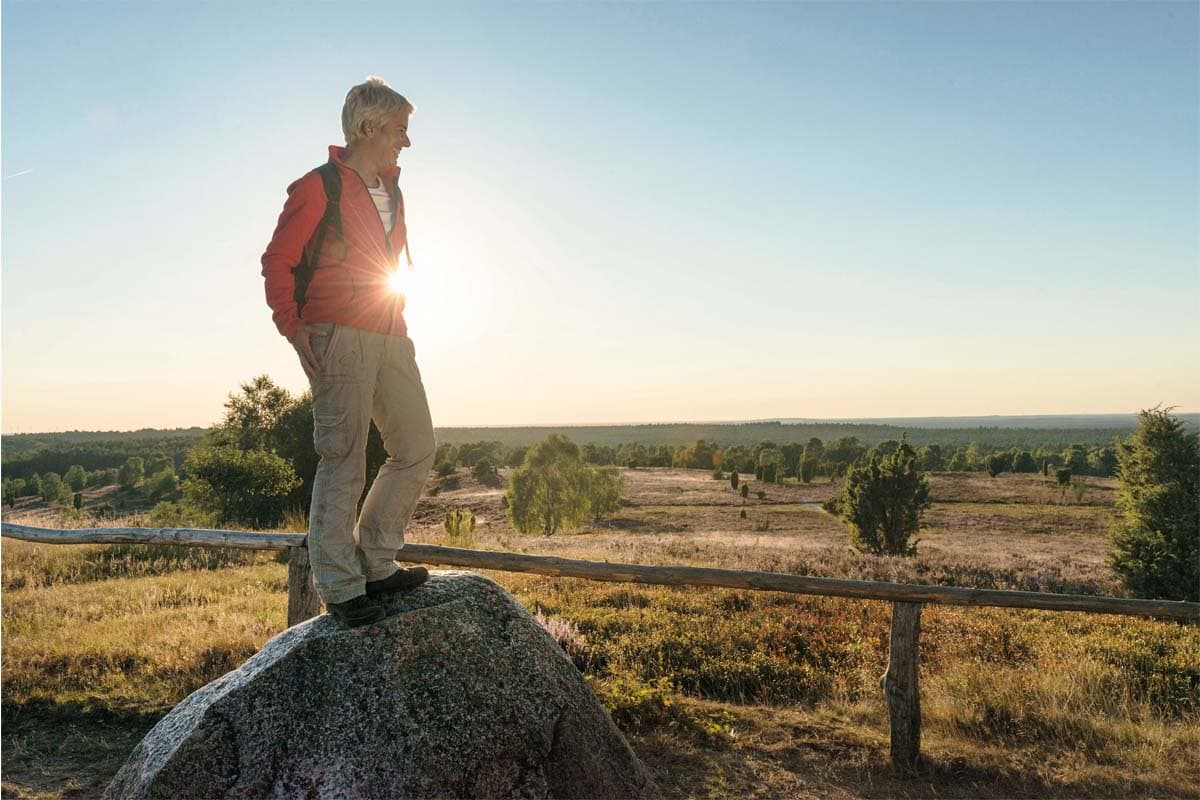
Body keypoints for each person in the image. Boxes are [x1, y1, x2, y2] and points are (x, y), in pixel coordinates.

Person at [261, 76, 434, 628]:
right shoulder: (317, 187)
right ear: (369, 127)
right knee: (343, 458)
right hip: (336, 333)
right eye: (400, 130)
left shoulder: (395, 191)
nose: (405, 142)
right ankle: (339, 583)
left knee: (417, 445)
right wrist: (293, 326)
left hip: (391, 333)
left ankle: (376, 561)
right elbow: (277, 260)